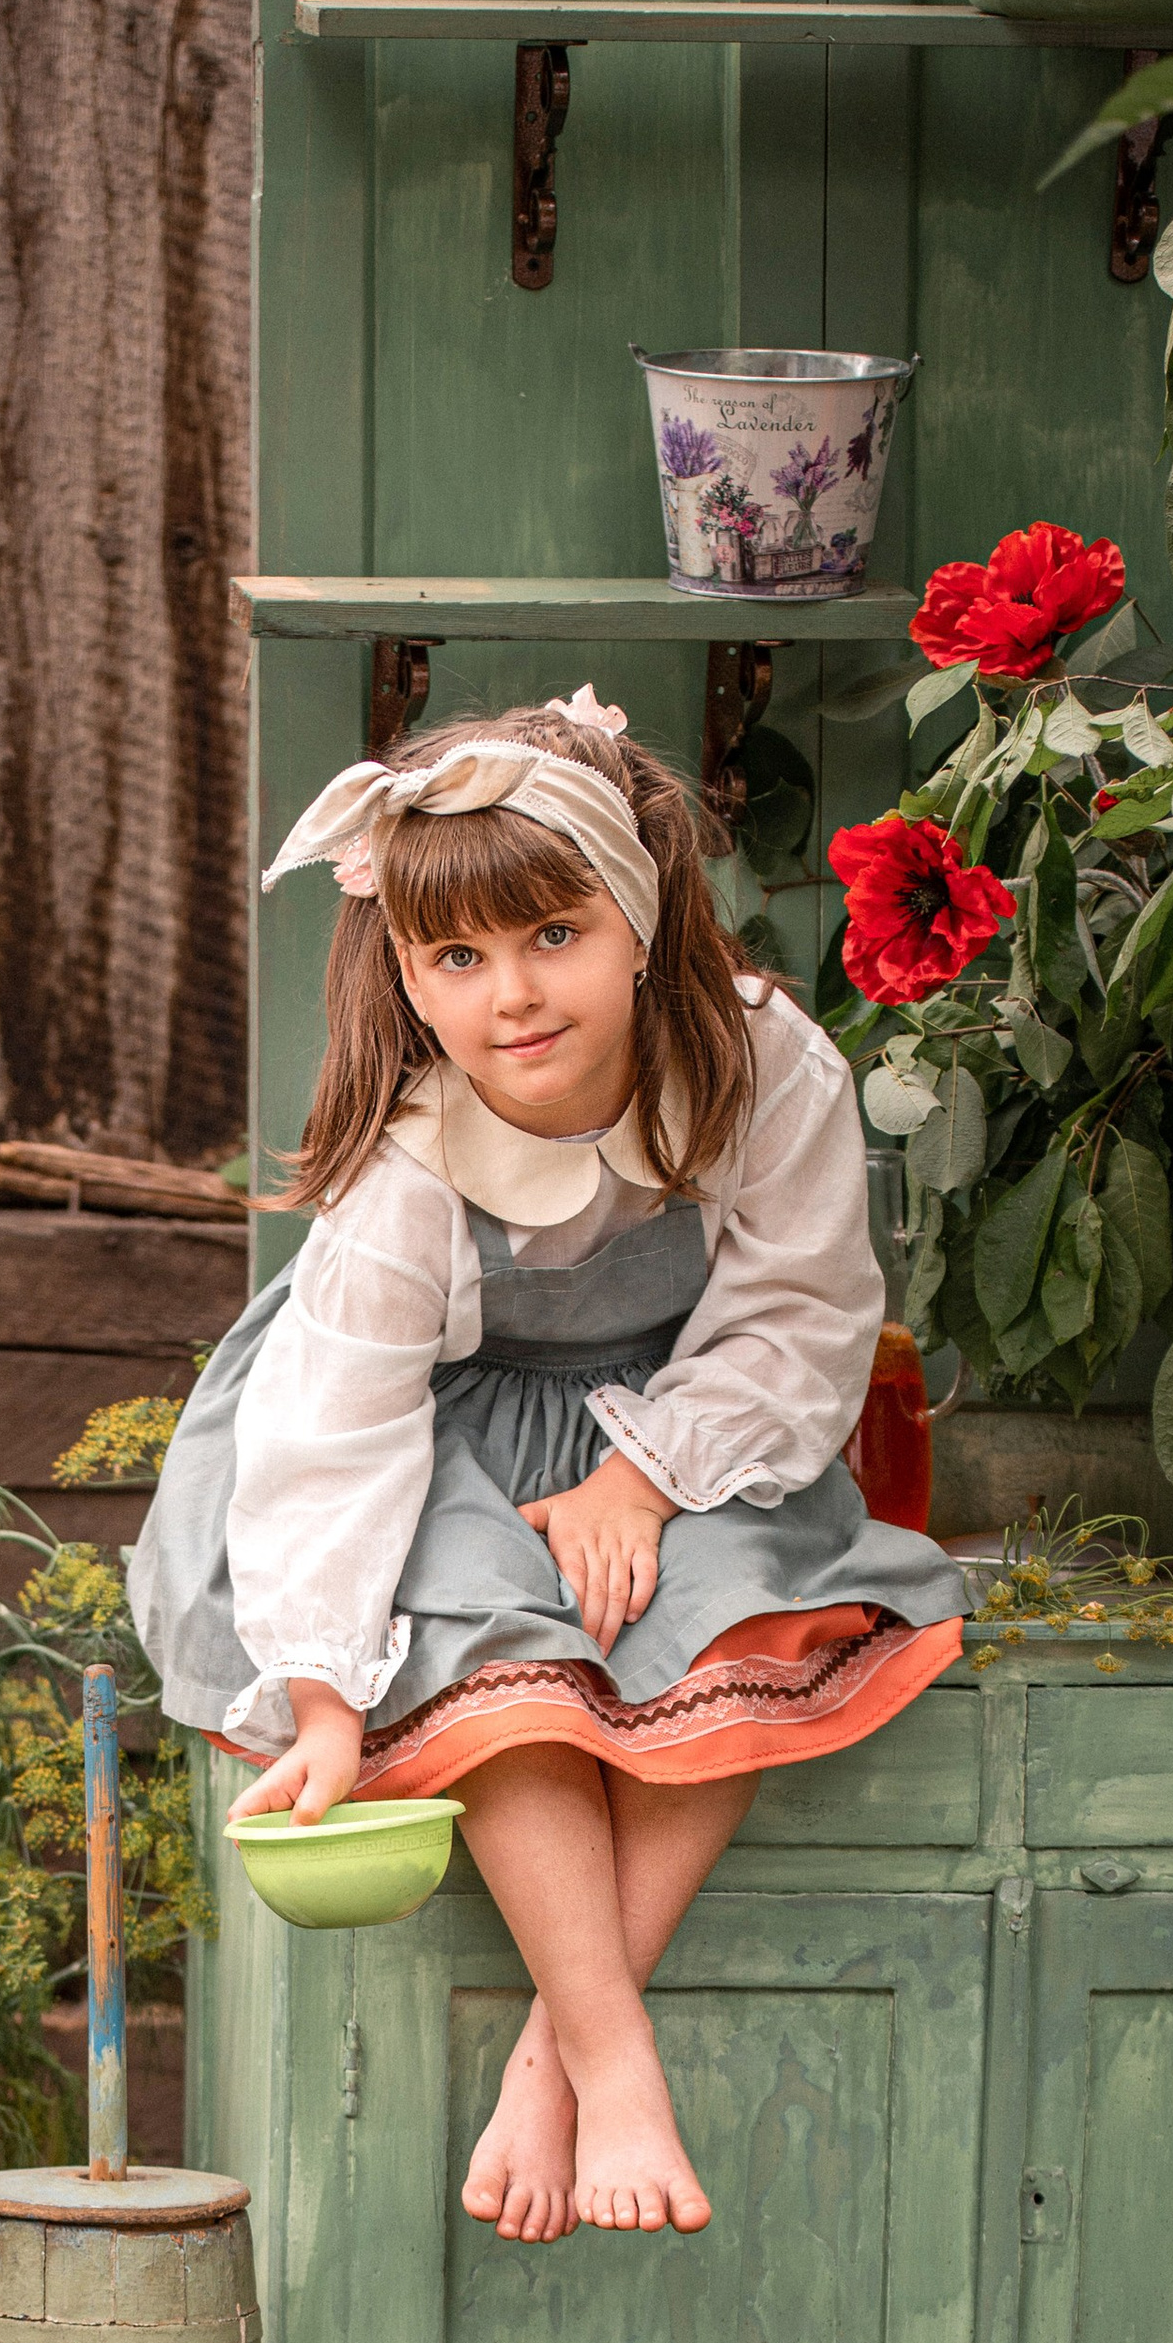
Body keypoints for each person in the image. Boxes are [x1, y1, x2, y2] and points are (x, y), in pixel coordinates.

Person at [130, 698, 965, 2245]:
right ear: (412, 980)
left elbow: (799, 1312)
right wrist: (324, 1698)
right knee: (481, 1636)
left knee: (728, 1612)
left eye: (553, 936)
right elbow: (342, 1427)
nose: (510, 996)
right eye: (457, 961)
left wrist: (645, 1485)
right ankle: (614, 2048)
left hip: (681, 1415)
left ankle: (559, 2051)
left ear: (637, 923)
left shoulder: (764, 1065)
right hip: (433, 1431)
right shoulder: (413, 1161)